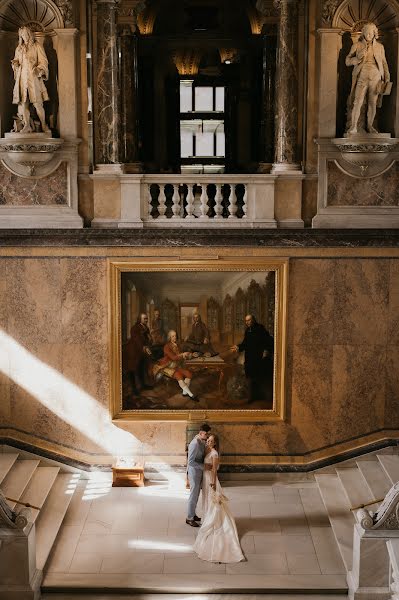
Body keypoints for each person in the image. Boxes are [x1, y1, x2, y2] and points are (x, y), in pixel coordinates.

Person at [193, 434, 244, 563]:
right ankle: (206, 516)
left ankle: (213, 519)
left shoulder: (214, 453)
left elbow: (214, 470)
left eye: (211, 441)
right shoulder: (207, 450)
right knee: (206, 499)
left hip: (210, 480)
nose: (209, 442)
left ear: (215, 444)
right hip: (205, 478)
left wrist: (213, 484)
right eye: (208, 440)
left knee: (213, 502)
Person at [345, 22, 390, 134]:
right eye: (367, 32)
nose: (369, 34)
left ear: (375, 33)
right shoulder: (357, 45)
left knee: (372, 103)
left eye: (371, 32)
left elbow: (384, 63)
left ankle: (370, 126)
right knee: (358, 101)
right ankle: (353, 126)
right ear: (363, 33)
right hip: (362, 74)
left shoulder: (380, 47)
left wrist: (387, 77)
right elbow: (347, 60)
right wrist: (356, 60)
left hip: (376, 76)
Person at [11, 26, 51, 134]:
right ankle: (27, 125)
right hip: (22, 79)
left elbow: (44, 62)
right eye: (22, 35)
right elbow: (16, 60)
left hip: (33, 79)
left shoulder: (37, 46)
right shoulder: (19, 48)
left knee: (38, 103)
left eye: (26, 34)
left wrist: (39, 69)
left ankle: (43, 124)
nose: (24, 37)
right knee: (24, 103)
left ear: (29, 34)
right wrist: (15, 64)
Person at [231, 314, 274, 403]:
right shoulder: (248, 331)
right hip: (249, 357)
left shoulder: (260, 329)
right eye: (246, 321)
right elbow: (245, 343)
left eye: (249, 320)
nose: (247, 322)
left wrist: (266, 350)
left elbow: (269, 340)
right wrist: (238, 347)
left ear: (253, 320)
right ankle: (252, 396)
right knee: (250, 376)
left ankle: (261, 397)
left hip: (259, 357)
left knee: (259, 377)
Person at [154, 330, 198, 401]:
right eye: (172, 336)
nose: (174, 337)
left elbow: (181, 354)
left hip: (176, 366)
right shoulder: (167, 346)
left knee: (189, 374)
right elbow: (173, 357)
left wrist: (189, 354)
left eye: (175, 336)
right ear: (169, 337)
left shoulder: (177, 345)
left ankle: (184, 392)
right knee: (179, 376)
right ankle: (191, 395)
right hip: (167, 366)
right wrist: (182, 355)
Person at [186, 423, 211, 527]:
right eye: (206, 435)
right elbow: (190, 462)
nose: (207, 436)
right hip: (194, 472)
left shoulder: (200, 441)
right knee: (193, 495)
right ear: (201, 433)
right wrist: (204, 467)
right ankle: (189, 518)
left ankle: (193, 514)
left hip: (198, 472)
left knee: (196, 495)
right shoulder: (194, 444)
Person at [125, 313, 153, 395]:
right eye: (144, 319)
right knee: (132, 369)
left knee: (141, 368)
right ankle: (134, 389)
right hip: (133, 351)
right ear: (139, 319)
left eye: (147, 318)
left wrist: (150, 340)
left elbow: (147, 338)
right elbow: (137, 340)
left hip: (141, 352)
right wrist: (143, 347)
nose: (146, 320)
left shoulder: (146, 328)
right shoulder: (134, 328)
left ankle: (143, 385)